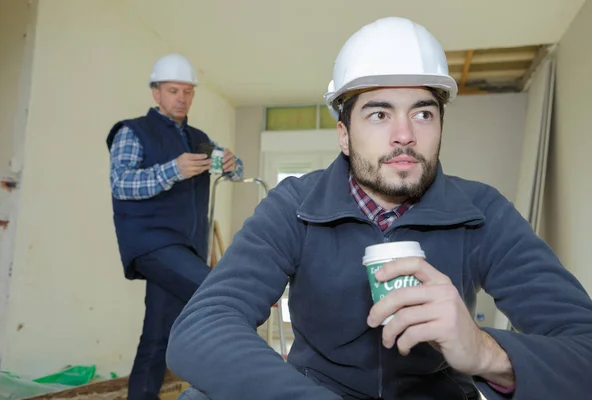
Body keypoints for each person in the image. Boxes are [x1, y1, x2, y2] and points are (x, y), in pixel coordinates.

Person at [166, 17, 592, 400]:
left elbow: (584, 348)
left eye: (423, 113)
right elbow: (203, 328)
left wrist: (486, 352)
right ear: (344, 135)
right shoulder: (295, 206)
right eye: (378, 114)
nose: (403, 135)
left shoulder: (481, 213)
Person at [105, 53, 244, 400]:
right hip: (151, 243)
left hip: (186, 247)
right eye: (172, 90)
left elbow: (236, 171)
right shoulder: (131, 131)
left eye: (187, 91)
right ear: (156, 94)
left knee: (157, 335)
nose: (181, 98)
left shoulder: (198, 137)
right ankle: (244, 385)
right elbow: (121, 183)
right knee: (220, 292)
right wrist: (173, 170)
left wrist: (230, 163)